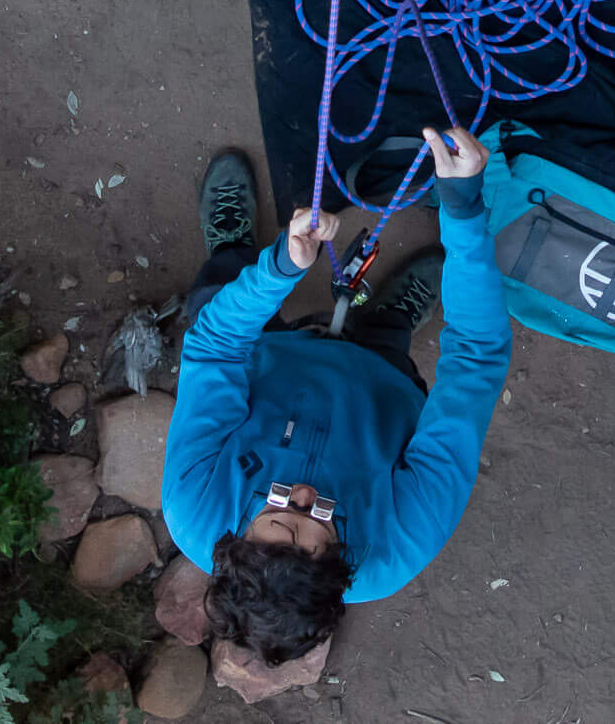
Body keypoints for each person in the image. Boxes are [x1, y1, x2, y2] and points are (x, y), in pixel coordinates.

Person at [160, 131, 511, 665]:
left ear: (233, 543)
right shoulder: (397, 547)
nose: (301, 493)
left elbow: (214, 349)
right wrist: (463, 213)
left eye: (277, 508)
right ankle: (387, 324)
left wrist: (280, 268)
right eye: (320, 517)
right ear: (341, 563)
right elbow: (474, 363)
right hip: (379, 385)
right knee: (385, 345)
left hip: (269, 352)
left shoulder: (195, 504)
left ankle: (235, 248)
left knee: (220, 294)